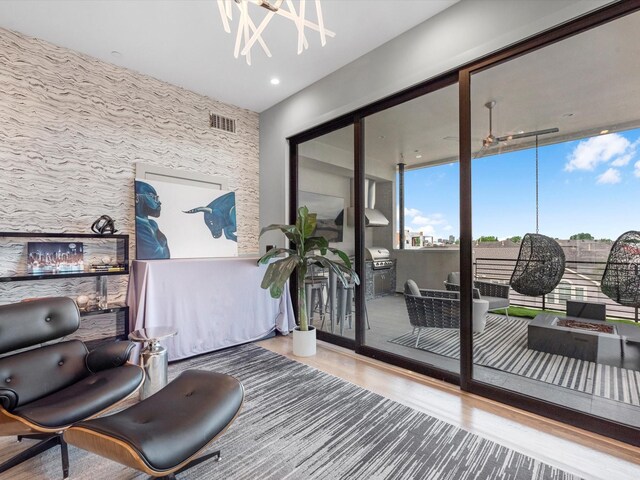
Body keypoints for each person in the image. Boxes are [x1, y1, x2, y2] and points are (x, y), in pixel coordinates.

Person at [135, 181, 170, 259]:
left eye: (157, 198)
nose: (159, 202)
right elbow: (161, 256)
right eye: (153, 197)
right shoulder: (139, 227)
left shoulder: (152, 224)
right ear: (136, 198)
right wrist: (163, 242)